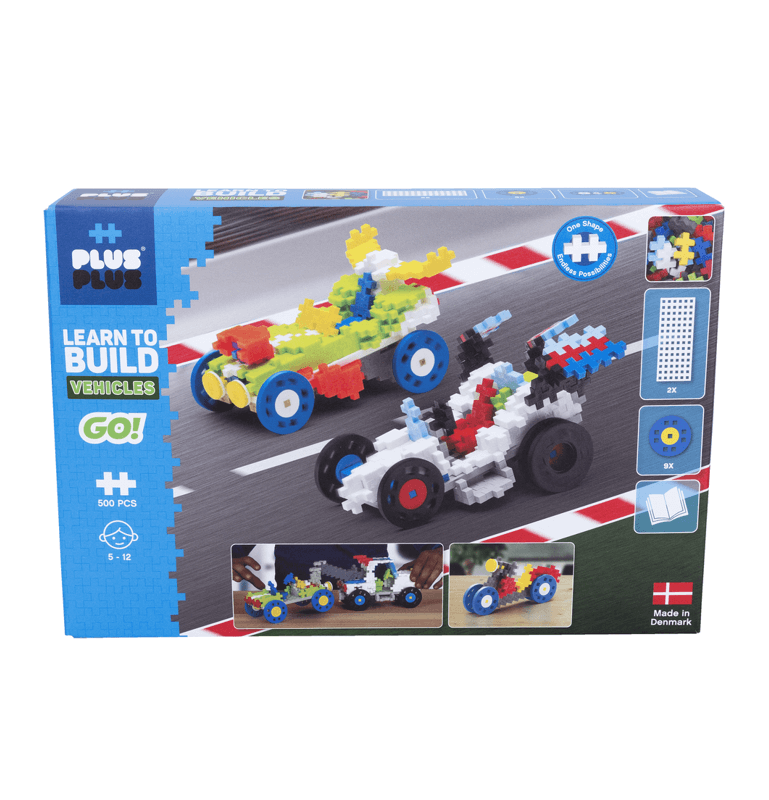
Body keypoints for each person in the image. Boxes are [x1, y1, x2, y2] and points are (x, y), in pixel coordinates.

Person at [232, 543, 443, 591]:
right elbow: (232, 551)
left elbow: (436, 546)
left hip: (371, 592)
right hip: (295, 596)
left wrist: (438, 551)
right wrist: (231, 558)